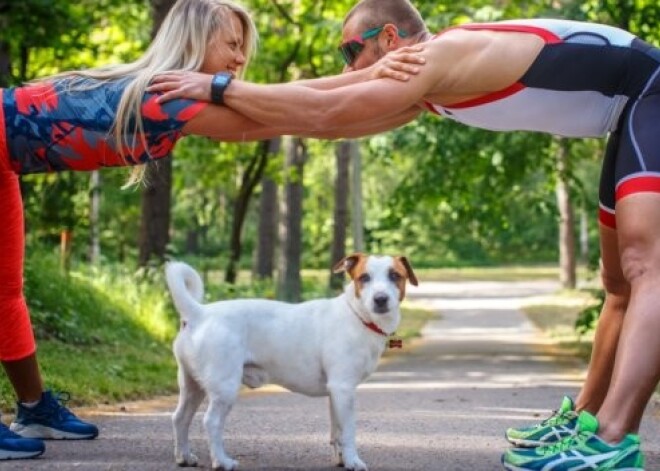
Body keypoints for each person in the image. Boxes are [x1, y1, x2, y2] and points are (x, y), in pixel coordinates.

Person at [148, 0, 660, 469]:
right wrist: (178, 117)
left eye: (353, 50)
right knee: (618, 285)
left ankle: (613, 441)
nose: (348, 67)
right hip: (625, 112)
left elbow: (325, 108)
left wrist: (220, 87)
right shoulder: (427, 91)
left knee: (646, 266)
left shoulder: (437, 58)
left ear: (390, 38)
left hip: (649, 90)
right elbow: (320, 113)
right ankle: (587, 422)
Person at [0, 0, 424, 461]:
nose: (241, 59)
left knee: (6, 292)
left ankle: (34, 406)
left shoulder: (181, 94)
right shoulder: (172, 99)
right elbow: (307, 114)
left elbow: (298, 100)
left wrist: (401, 95)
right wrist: (379, 81)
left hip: (7, 162)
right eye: (232, 44)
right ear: (195, 41)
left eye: (244, 47)